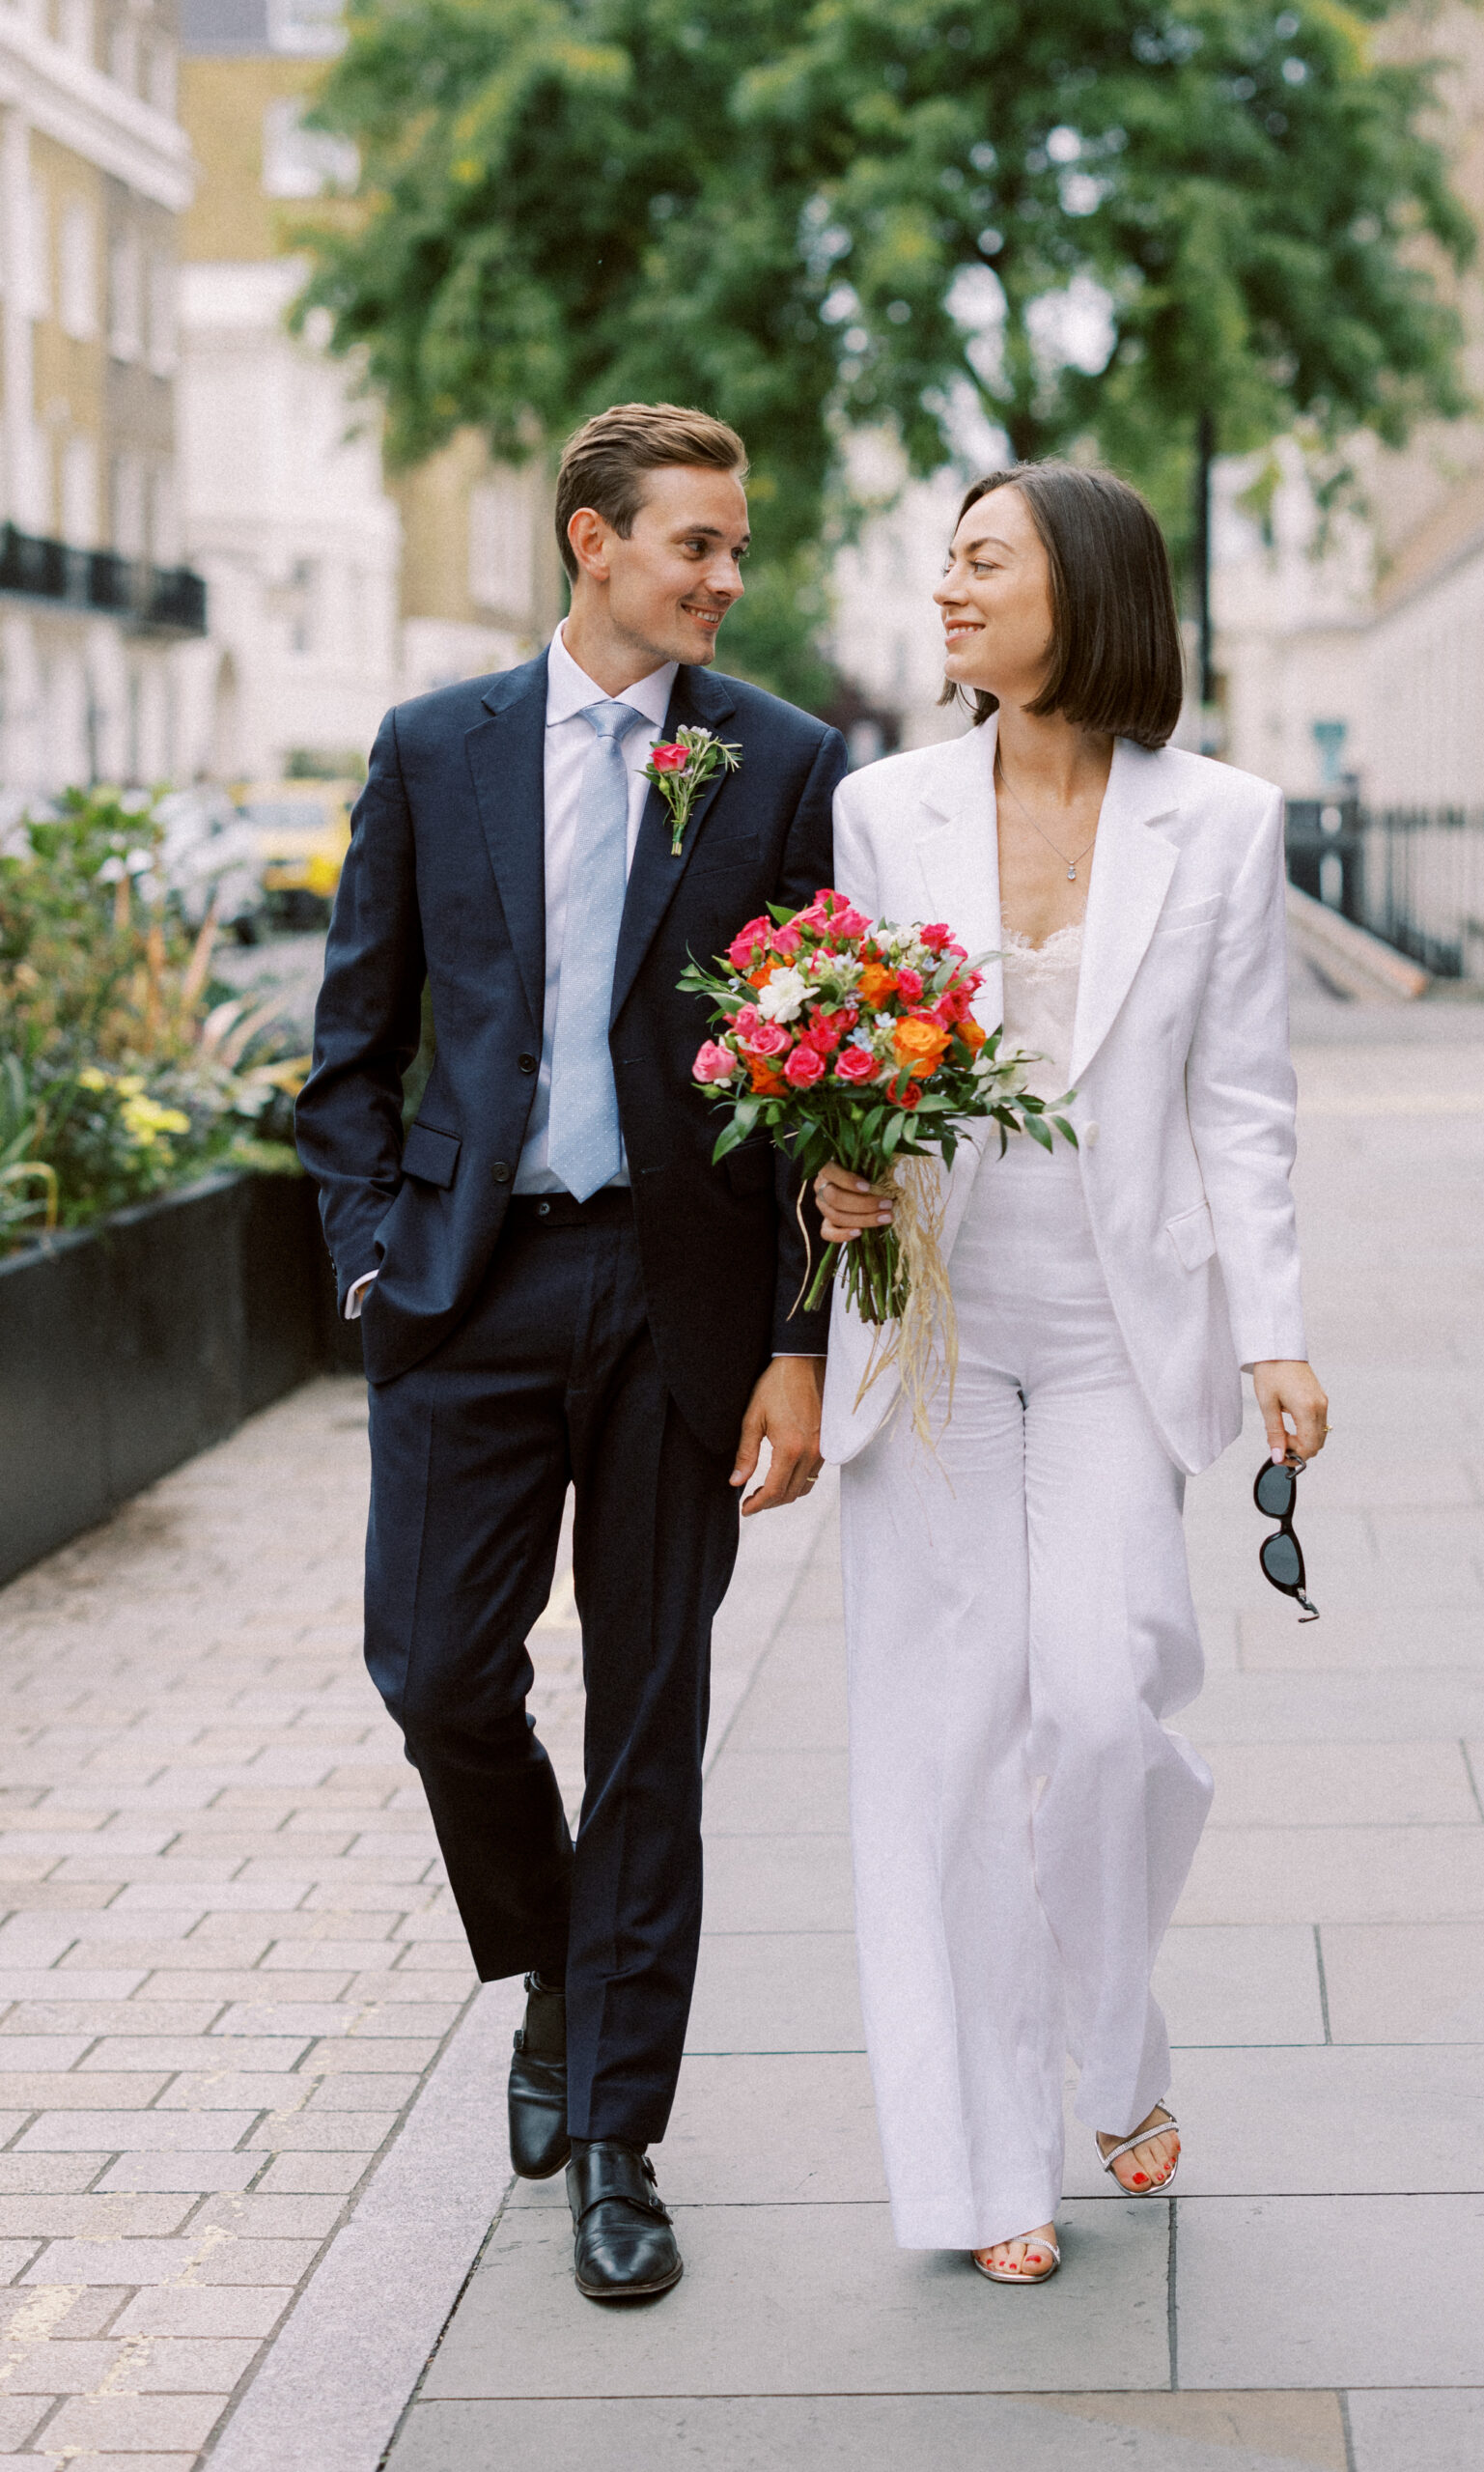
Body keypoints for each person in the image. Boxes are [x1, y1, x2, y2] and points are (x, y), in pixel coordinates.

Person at [296, 403, 844, 2302]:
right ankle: (546, 1961)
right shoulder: (434, 748)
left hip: (679, 1298)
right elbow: (350, 1047)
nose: (723, 576)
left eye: (736, 547)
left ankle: (616, 2134)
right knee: (436, 1671)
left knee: (649, 1728)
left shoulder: (775, 760)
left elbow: (816, 1088)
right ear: (588, 540)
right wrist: (369, 1261)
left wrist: (796, 1342)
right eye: (695, 541)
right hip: (463, 1288)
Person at [815, 463, 1328, 2283]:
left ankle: (1117, 2044)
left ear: (1085, 588)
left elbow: (1242, 1104)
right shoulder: (883, 808)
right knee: (954, 1749)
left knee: (1103, 1713)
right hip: (932, 1324)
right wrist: (829, 1164)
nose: (947, 588)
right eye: (943, 560)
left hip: (1121, 1333)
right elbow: (846, 1062)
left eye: (984, 559)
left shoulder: (1226, 822)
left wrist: (1275, 1328)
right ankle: (986, 2169)